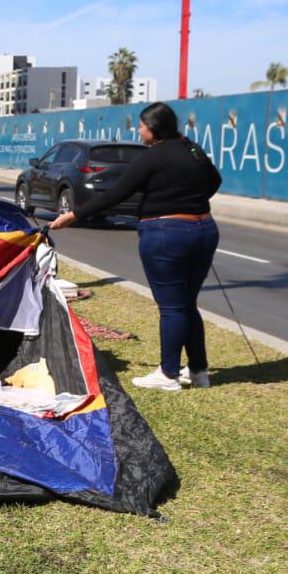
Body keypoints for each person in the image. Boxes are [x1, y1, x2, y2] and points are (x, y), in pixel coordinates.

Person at [50, 101, 223, 390]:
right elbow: (214, 181)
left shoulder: (152, 157)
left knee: (171, 307)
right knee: (186, 303)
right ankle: (198, 371)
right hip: (204, 228)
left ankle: (168, 374)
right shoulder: (192, 150)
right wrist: (188, 197)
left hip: (167, 233)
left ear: (153, 129)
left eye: (141, 126)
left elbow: (117, 193)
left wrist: (73, 215)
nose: (139, 130)